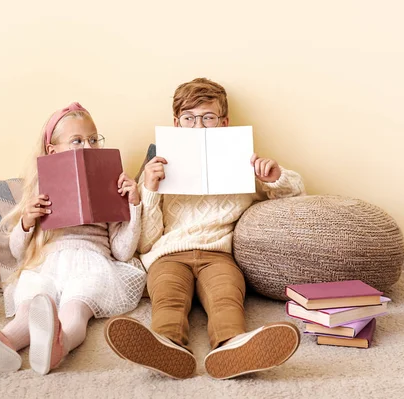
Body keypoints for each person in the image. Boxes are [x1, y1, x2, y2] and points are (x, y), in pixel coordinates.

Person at [104, 78, 306, 380]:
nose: (198, 127)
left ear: (224, 123)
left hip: (218, 255)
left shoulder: (242, 162)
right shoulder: (156, 168)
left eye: (208, 118)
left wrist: (274, 176)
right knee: (168, 298)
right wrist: (150, 189)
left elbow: (294, 196)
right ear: (177, 123)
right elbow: (145, 243)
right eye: (189, 118)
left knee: (226, 297)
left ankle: (233, 344)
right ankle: (165, 343)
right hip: (168, 255)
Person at [0, 102, 146, 374]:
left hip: (92, 262)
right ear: (53, 151)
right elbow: (19, 252)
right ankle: (4, 342)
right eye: (77, 141)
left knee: (74, 308)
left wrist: (134, 206)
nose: (88, 147)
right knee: (31, 304)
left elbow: (123, 251)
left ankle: (59, 345)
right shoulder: (40, 191)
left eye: (93, 139)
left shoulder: (110, 183)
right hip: (46, 264)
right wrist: (27, 221)